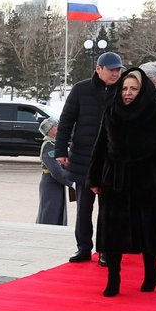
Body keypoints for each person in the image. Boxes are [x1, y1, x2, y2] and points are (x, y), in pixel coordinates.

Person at [87, 68, 156, 296]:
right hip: (115, 181)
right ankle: (113, 279)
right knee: (113, 233)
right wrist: (95, 177)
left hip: (147, 180)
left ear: (143, 90)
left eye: (134, 88)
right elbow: (100, 147)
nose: (128, 93)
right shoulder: (112, 111)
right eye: (125, 88)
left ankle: (151, 273)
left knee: (147, 230)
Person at [57, 51, 124, 264]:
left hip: (112, 161)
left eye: (118, 70)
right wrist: (60, 151)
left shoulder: (124, 92)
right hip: (83, 159)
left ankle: (105, 250)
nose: (116, 73)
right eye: (111, 69)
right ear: (98, 69)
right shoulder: (81, 89)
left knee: (108, 210)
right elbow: (66, 121)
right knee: (84, 208)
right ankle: (84, 247)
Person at [37, 119, 76, 224]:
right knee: (50, 213)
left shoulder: (55, 144)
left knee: (57, 212)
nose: (58, 127)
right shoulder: (48, 146)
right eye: (55, 126)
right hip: (50, 183)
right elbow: (56, 170)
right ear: (49, 130)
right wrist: (71, 183)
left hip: (57, 182)